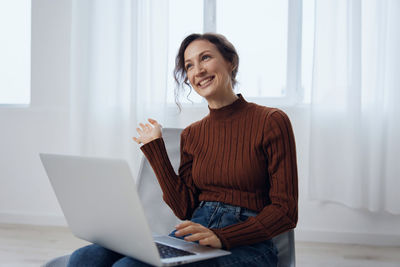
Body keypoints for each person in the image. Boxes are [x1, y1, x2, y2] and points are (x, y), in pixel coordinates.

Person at [68, 33, 298, 267]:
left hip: (249, 245)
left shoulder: (271, 121)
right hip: (193, 235)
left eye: (205, 58)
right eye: (189, 66)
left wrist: (223, 237)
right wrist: (155, 150)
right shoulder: (192, 134)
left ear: (231, 62)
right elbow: (184, 207)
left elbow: (286, 212)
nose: (197, 70)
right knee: (84, 258)